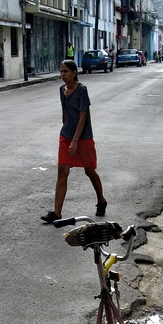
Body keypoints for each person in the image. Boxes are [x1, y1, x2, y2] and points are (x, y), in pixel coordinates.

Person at [41, 60, 107, 224]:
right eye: (61, 71)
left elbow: (83, 117)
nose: (62, 74)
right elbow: (65, 112)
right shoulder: (62, 90)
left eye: (66, 71)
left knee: (89, 171)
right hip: (66, 135)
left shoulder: (82, 90)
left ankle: (101, 200)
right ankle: (57, 213)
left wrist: (75, 141)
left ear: (74, 73)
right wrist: (66, 132)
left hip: (82, 137)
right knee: (62, 170)